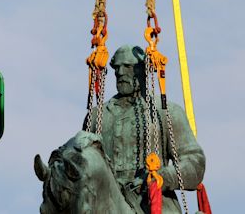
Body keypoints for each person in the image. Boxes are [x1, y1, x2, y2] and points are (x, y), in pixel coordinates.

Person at [83, 45, 206, 213]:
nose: (120, 72)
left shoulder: (166, 111)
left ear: (143, 70)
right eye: (116, 68)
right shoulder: (98, 115)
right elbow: (81, 163)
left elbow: (195, 163)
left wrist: (162, 177)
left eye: (127, 66)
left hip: (154, 202)